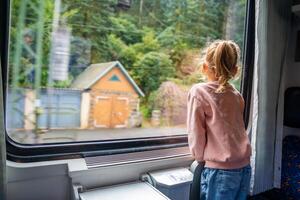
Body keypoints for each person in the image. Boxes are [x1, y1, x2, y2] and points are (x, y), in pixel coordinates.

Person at [186, 40, 252, 200]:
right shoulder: (237, 96)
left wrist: (199, 157)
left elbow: (196, 132)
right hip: (244, 167)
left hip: (221, 171)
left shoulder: (199, 92)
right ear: (235, 70)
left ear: (204, 67)